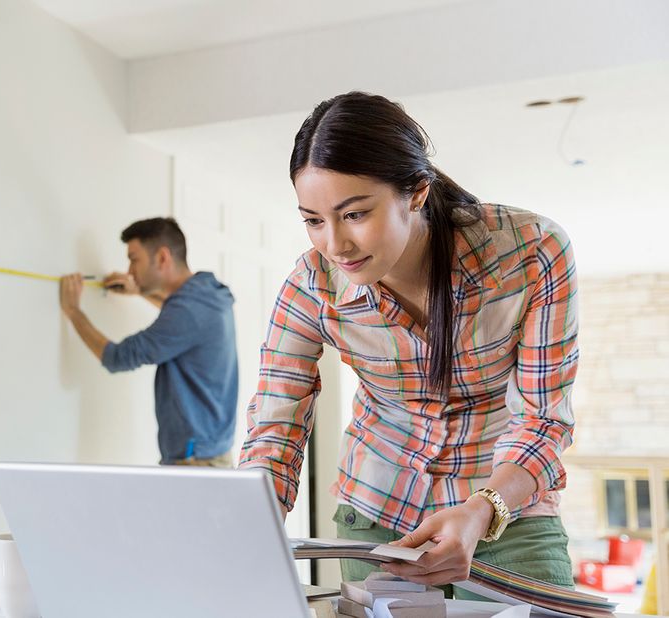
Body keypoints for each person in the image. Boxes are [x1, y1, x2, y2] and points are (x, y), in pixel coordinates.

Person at [238, 92, 578, 595]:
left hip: (507, 514)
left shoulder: (531, 253)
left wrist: (481, 510)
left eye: (354, 214)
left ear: (416, 192)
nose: (334, 244)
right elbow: (275, 424)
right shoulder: (312, 284)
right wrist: (246, 524)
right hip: (374, 518)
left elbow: (543, 419)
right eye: (313, 220)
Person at [59, 217, 238, 467]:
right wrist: (141, 292)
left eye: (134, 259)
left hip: (195, 462)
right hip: (208, 454)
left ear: (162, 258)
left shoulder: (187, 310)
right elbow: (180, 318)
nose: (130, 270)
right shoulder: (207, 294)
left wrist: (73, 312)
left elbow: (118, 357)